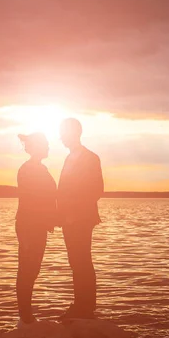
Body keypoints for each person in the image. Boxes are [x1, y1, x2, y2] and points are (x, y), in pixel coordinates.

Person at [57, 118, 104, 319]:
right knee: (76, 262)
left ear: (75, 133)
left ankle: (86, 306)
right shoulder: (70, 158)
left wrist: (73, 213)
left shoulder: (90, 158)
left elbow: (97, 190)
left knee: (82, 260)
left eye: (63, 133)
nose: (60, 137)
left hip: (81, 219)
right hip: (69, 219)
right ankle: (81, 304)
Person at [15, 132, 57, 327]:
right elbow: (31, 200)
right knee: (27, 269)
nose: (49, 147)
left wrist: (51, 218)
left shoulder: (40, 168)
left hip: (37, 225)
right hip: (28, 225)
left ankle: (26, 314)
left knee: (33, 269)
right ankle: (25, 316)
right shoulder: (27, 169)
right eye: (46, 144)